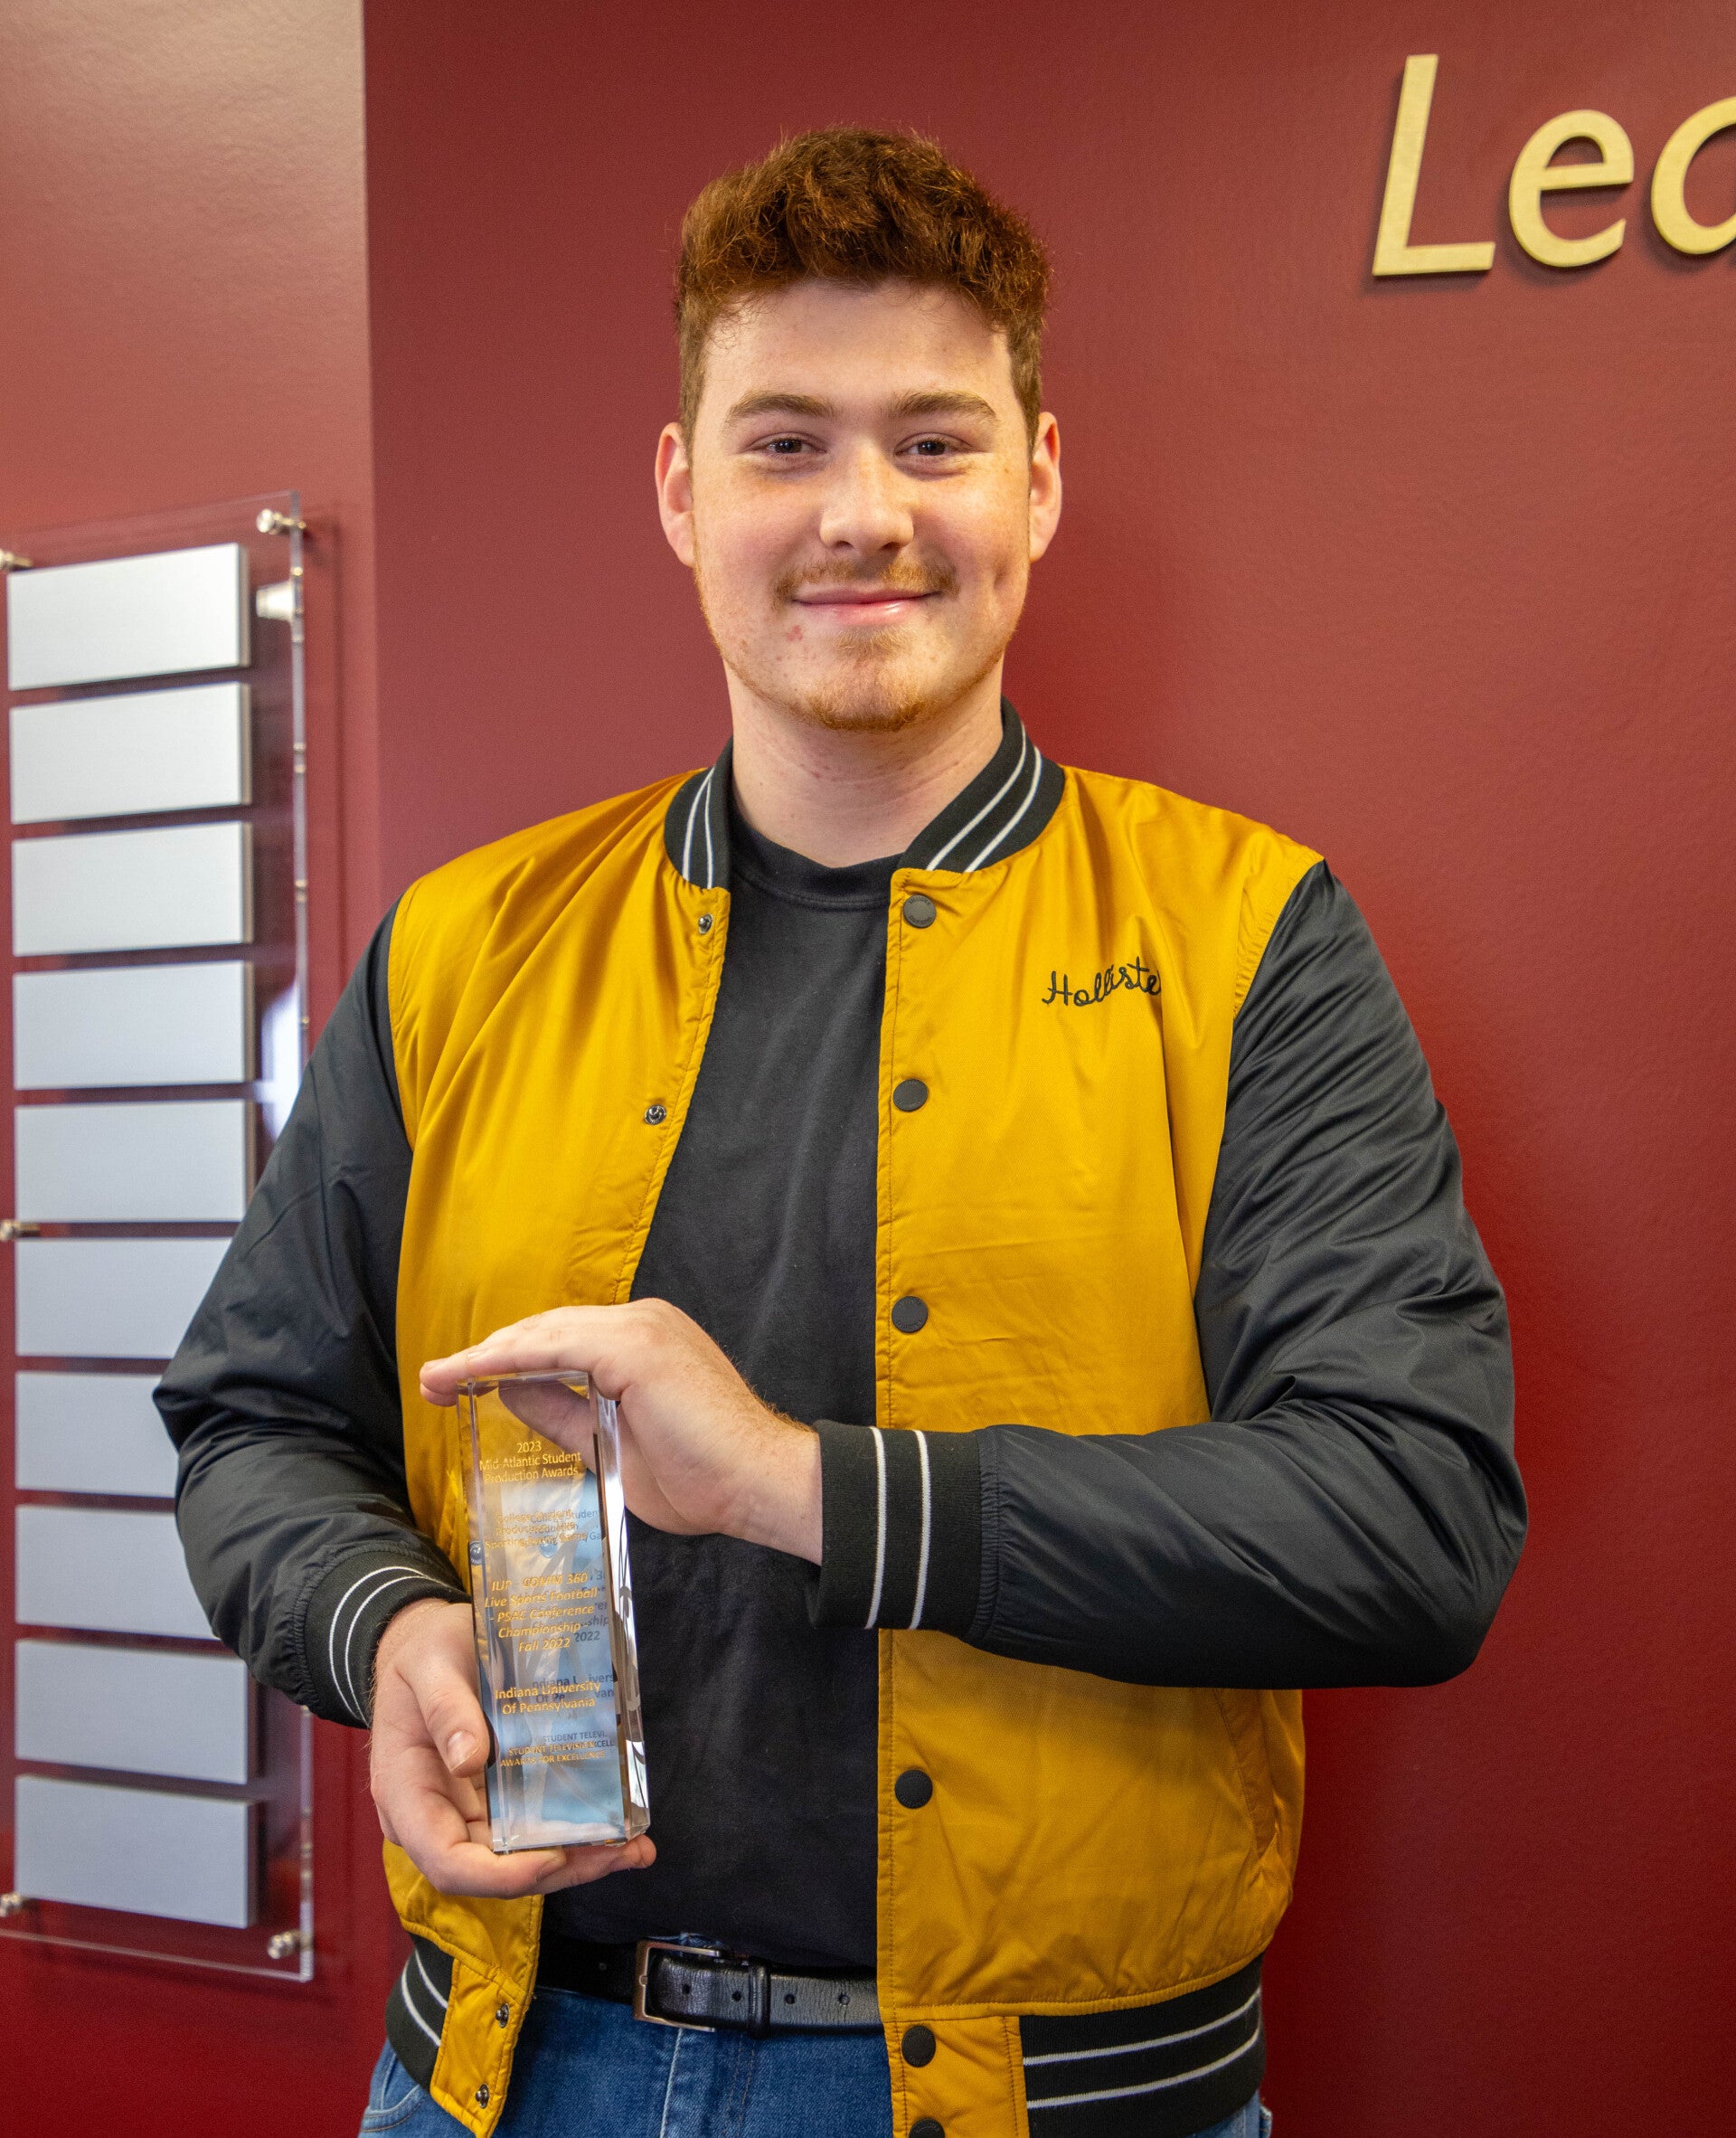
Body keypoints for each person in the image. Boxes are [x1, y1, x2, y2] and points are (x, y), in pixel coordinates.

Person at [159, 128, 1525, 2138]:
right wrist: (392, 1626)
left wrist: (802, 1487)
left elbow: (1412, 1524)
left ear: (1036, 482)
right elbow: (252, 1423)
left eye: (934, 443)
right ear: (680, 489)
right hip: (501, 2071)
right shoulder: (464, 948)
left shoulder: (1248, 942)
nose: (863, 515)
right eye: (786, 442)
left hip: (1061, 2100)